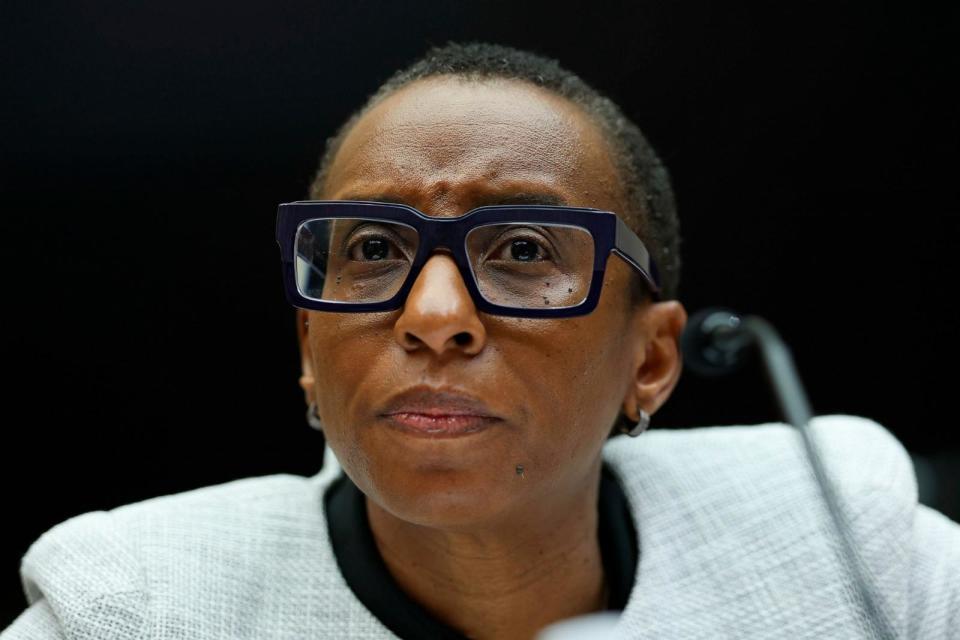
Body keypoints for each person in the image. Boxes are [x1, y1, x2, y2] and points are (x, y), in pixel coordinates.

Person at [3, 42, 958, 640]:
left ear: (653, 361)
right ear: (308, 343)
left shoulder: (847, 546)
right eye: (374, 248)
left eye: (525, 248)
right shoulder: (141, 608)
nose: (432, 315)